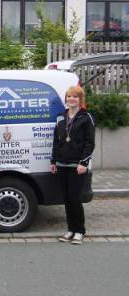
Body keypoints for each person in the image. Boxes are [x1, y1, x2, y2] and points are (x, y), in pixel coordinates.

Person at [51, 86, 95, 245]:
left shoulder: (86, 117)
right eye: (69, 96)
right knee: (67, 199)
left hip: (77, 165)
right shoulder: (61, 117)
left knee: (75, 198)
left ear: (80, 99)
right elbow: (56, 141)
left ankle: (79, 231)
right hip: (62, 163)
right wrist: (53, 161)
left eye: (75, 97)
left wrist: (84, 162)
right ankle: (70, 229)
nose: (71, 99)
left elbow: (90, 143)